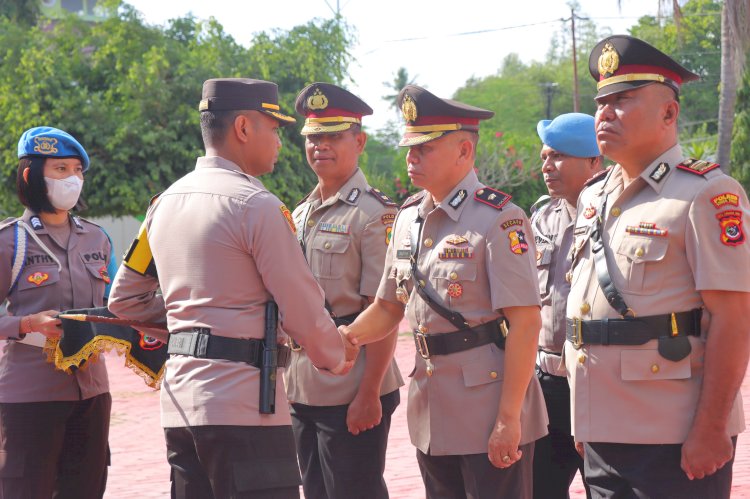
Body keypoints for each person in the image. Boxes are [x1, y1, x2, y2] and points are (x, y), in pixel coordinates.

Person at [108, 78, 355, 499]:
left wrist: (193, 325)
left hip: (181, 407)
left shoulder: (163, 204)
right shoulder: (255, 206)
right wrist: (336, 356)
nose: (280, 141)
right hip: (245, 410)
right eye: (273, 129)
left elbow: (125, 299)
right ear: (243, 128)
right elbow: (302, 310)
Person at [340, 85, 548, 498]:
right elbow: (387, 306)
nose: (411, 158)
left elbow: (526, 324)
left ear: (464, 152)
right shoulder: (406, 220)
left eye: (425, 148)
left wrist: (509, 417)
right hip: (432, 405)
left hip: (488, 405)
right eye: (410, 148)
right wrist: (349, 337)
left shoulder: (500, 220)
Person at [565, 35, 750, 498]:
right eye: (601, 102)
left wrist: (710, 429)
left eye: (623, 101)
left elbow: (733, 318)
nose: (604, 113)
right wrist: (584, 417)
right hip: (603, 430)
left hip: (673, 434)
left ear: (669, 113)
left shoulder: (705, 194)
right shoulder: (593, 196)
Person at [285, 82, 404, 499]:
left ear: (359, 141)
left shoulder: (375, 213)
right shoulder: (300, 213)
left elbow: (384, 310)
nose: (321, 146)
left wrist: (370, 392)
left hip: (353, 386)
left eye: (333, 135)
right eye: (313, 137)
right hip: (303, 385)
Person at [0, 126, 113, 498]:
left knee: (86, 489)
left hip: (92, 393)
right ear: (31, 175)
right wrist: (26, 323)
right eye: (61, 170)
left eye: (77, 171)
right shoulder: (10, 242)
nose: (72, 179)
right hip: (30, 396)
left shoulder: (96, 238)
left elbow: (118, 303)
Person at [530, 113, 601, 499]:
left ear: (594, 160)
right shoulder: (541, 217)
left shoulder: (612, 214)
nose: (546, 165)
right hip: (546, 384)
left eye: (558, 156)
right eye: (544, 156)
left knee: (603, 486)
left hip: (598, 383)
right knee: (539, 488)